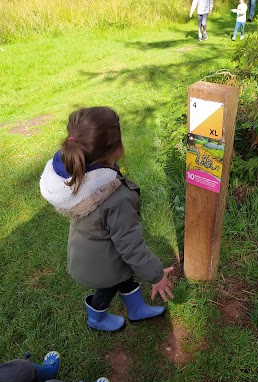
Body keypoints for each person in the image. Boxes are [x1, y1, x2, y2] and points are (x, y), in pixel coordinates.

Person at [40, 107, 174, 333]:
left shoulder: (78, 173)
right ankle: (96, 319)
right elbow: (131, 246)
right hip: (100, 266)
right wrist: (156, 275)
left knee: (125, 278)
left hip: (90, 251)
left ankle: (137, 308)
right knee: (108, 288)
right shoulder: (116, 197)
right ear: (116, 147)